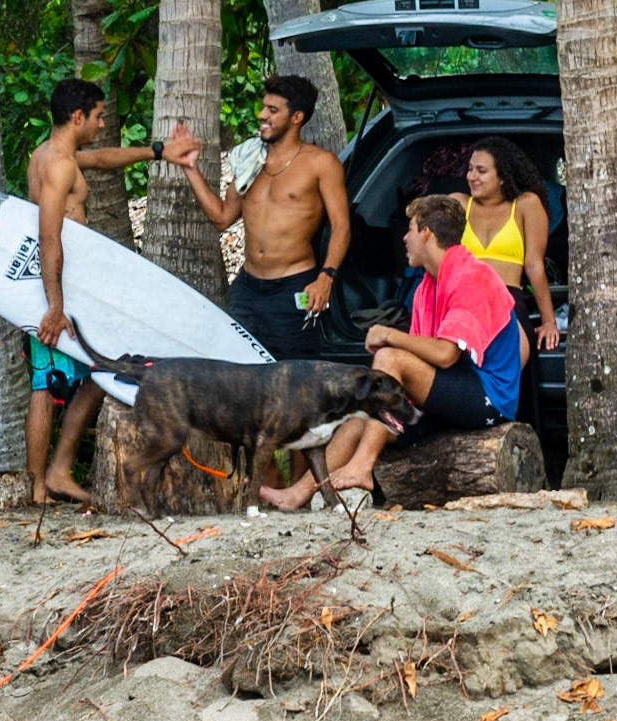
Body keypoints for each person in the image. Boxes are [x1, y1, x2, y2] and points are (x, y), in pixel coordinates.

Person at [260, 195, 525, 509]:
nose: (404, 238)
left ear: (427, 233)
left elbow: (445, 355)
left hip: (488, 397)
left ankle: (362, 468)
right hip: (450, 390)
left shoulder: (470, 277)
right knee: (359, 416)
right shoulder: (427, 285)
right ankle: (299, 493)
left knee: (387, 358)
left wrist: (390, 336)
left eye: (410, 229)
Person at [27, 78, 196, 503]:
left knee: (102, 372)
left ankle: (58, 472)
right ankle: (38, 487)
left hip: (71, 290)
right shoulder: (59, 165)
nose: (103, 124)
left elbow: (103, 159)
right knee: (46, 384)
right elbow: (50, 238)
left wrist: (159, 152)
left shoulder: (55, 156)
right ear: (78, 116)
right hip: (55, 291)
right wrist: (55, 306)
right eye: (99, 115)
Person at [175, 74, 350, 361]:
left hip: (294, 286)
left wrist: (326, 277)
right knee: (239, 371)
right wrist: (190, 169)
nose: (261, 115)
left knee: (291, 378)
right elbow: (221, 218)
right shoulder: (250, 159)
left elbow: (342, 227)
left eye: (272, 110)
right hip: (247, 288)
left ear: (297, 118)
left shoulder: (321, 163)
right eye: (263, 107)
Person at [450, 137, 560, 352]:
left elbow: (534, 265)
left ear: (502, 177)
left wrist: (549, 322)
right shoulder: (459, 203)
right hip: (463, 307)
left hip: (507, 305)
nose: (472, 177)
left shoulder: (526, 204)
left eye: (481, 171)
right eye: (470, 169)